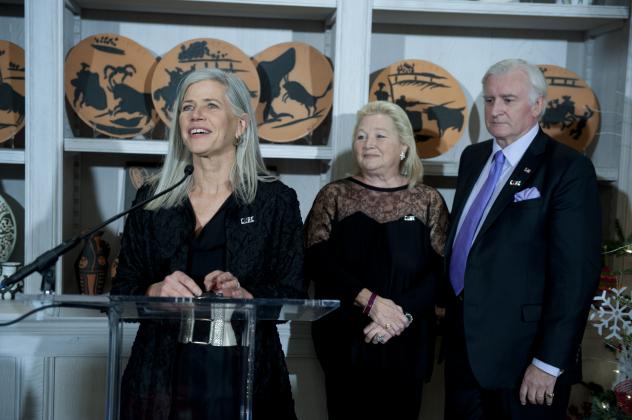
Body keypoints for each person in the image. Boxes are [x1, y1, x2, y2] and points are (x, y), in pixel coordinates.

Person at [110, 68, 305, 420]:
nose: (195, 115)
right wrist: (156, 290)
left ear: (240, 125)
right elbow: (123, 289)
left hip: (243, 372)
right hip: (160, 375)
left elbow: (292, 290)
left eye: (210, 105)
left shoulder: (276, 201)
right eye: (187, 107)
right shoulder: (152, 199)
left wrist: (246, 295)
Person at [443, 58, 601, 419]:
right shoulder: (473, 158)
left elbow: (575, 277)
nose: (495, 110)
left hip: (526, 363)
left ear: (538, 105)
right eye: (489, 99)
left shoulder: (568, 169)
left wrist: (548, 363)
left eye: (508, 99)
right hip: (463, 356)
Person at [305, 100, 449, 420]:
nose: (368, 143)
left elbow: (440, 273)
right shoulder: (335, 195)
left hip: (408, 339)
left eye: (380, 136)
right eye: (361, 136)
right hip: (346, 340)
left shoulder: (428, 200)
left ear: (403, 147)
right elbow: (317, 260)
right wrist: (370, 302)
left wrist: (400, 317)